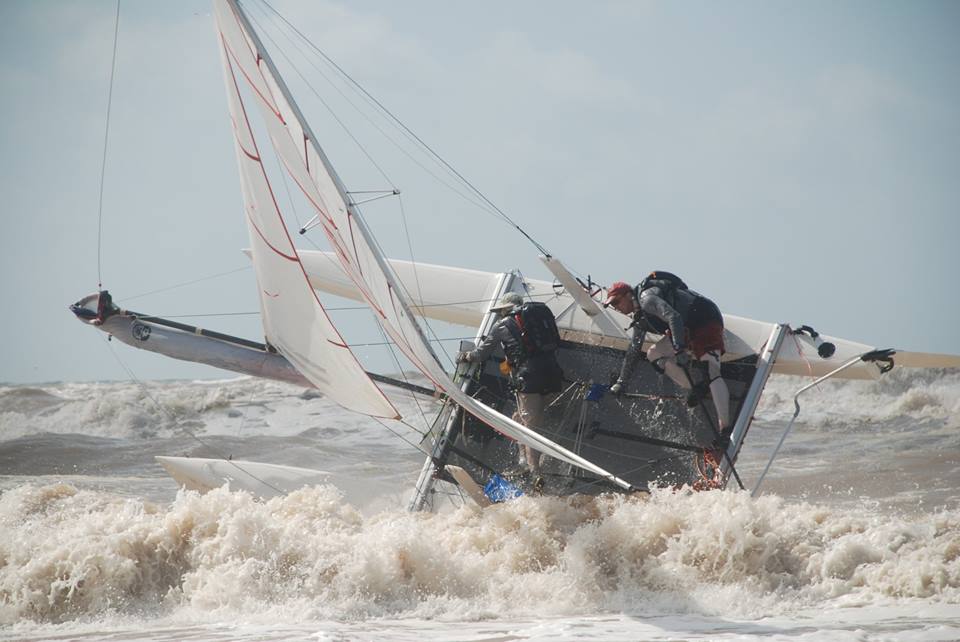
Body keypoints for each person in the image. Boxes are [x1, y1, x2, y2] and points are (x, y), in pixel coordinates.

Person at [603, 272, 732, 446]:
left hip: (704, 319)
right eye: (612, 305)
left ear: (628, 295)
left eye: (617, 302)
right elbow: (634, 348)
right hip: (683, 327)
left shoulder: (647, 299)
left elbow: (673, 317)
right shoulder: (640, 317)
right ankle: (695, 386)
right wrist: (622, 381)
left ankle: (725, 429)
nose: (616, 307)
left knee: (712, 371)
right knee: (653, 354)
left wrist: (678, 348)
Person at [456, 292, 563, 488]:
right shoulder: (538, 321)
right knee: (518, 418)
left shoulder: (502, 324)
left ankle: (535, 472)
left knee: (529, 428)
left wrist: (465, 356)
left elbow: (480, 354)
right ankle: (524, 460)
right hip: (554, 376)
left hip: (529, 380)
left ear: (505, 309)